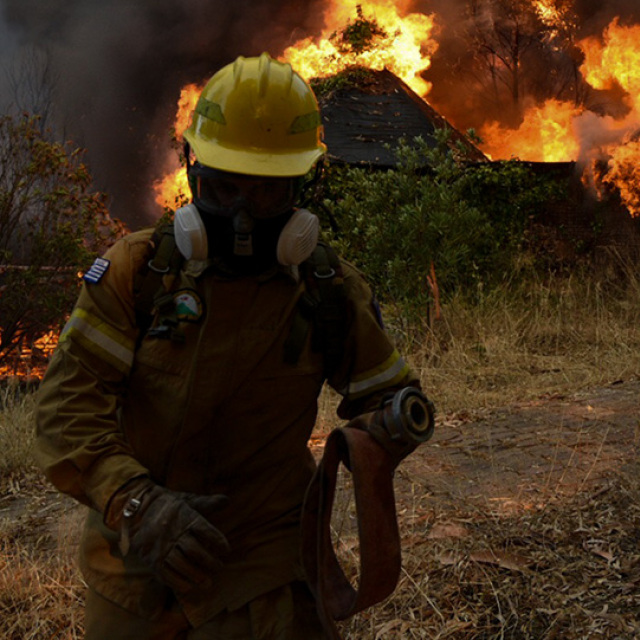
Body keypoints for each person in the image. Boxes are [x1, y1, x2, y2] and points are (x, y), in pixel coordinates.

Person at [35, 53, 424, 639]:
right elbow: (67, 413)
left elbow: (385, 393)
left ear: (302, 185)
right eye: (225, 187)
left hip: (265, 581)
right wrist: (138, 503)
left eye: (268, 194)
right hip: (136, 579)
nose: (244, 216)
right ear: (193, 174)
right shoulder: (136, 273)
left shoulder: (328, 291)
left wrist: (393, 421)